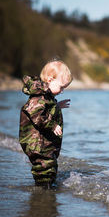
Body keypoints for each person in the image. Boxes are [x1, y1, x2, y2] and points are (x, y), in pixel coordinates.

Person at [19, 60, 72, 189]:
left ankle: (47, 184)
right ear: (50, 79)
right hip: (37, 143)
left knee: (49, 164)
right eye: (61, 87)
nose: (61, 91)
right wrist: (53, 125)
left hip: (43, 142)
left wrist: (56, 106)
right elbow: (36, 114)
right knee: (44, 166)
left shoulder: (46, 96)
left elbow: (44, 110)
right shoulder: (39, 96)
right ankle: (44, 187)